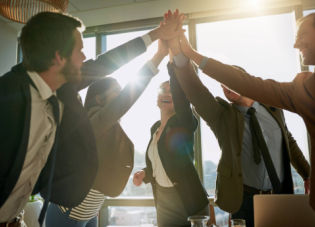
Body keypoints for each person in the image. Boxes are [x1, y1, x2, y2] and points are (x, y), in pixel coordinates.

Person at [0, 10, 185, 226]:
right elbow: (124, 99)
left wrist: (157, 38)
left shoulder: (60, 89)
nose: (84, 58)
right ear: (60, 56)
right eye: (79, 50)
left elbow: (106, 63)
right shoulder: (8, 99)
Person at [174, 12, 315, 211]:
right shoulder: (223, 116)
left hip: (279, 194)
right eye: (222, 85)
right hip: (244, 200)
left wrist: (307, 173)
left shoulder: (275, 109)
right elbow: (196, 93)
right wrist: (183, 56)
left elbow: (289, 142)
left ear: (244, 80)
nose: (226, 87)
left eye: (230, 80)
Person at [45, 37, 167, 227]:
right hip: (66, 212)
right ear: (99, 99)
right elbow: (126, 99)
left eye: (120, 91)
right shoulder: (92, 123)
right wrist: (158, 56)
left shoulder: (111, 128)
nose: (120, 96)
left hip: (90, 213)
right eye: (115, 92)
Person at [133, 34, 209, 227]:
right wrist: (145, 173)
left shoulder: (183, 122)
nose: (167, 94)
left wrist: (170, 56)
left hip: (188, 201)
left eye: (171, 91)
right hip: (163, 203)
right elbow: (160, 162)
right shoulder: (154, 129)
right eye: (162, 91)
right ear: (157, 99)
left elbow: (182, 97)